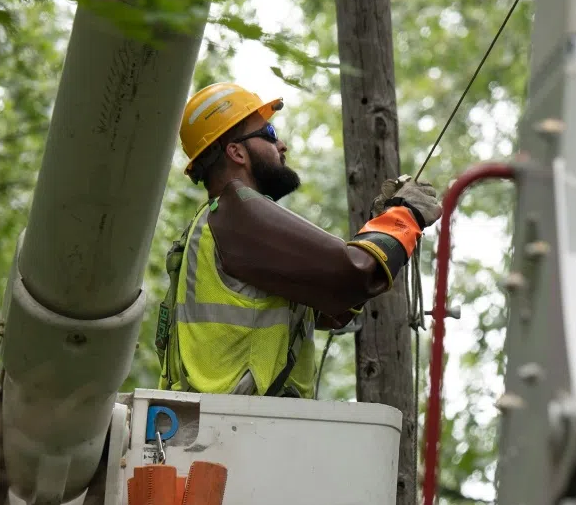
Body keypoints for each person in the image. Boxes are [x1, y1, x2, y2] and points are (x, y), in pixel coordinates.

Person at [156, 82, 441, 398]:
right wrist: (404, 215)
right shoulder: (238, 212)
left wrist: (377, 232)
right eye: (270, 134)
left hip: (227, 426)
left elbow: (334, 304)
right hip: (242, 428)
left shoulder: (217, 222)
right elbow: (353, 273)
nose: (282, 146)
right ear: (235, 151)